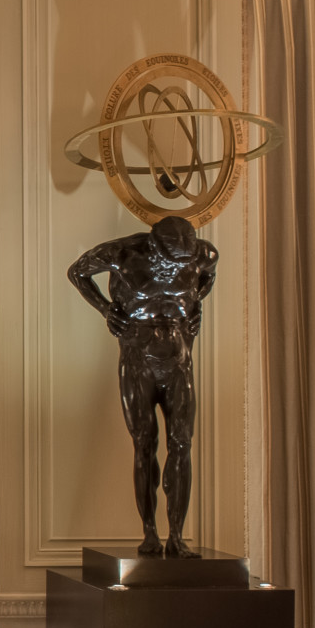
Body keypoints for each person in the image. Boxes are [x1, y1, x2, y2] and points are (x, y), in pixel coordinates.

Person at [67, 213, 217, 557]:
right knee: (145, 444)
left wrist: (195, 305)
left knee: (182, 443)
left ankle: (177, 536)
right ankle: (149, 532)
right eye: (168, 260)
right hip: (138, 357)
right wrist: (107, 310)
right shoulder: (123, 254)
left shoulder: (202, 256)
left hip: (179, 359)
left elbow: (207, 277)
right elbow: (77, 272)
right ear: (153, 246)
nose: (175, 268)